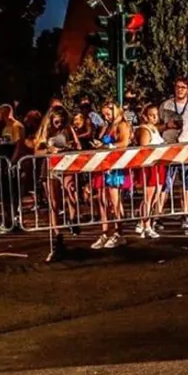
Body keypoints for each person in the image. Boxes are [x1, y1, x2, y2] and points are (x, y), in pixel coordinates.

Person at [34, 107, 80, 262]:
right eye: (56, 122)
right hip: (50, 168)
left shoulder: (67, 129)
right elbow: (36, 151)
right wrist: (48, 149)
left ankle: (73, 219)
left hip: (66, 166)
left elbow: (78, 146)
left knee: (70, 190)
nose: (59, 125)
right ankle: (57, 236)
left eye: (61, 121)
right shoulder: (44, 131)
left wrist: (69, 147)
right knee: (53, 203)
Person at [90, 101, 131, 249]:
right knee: (102, 199)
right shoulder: (108, 126)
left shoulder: (122, 125)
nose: (106, 117)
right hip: (104, 164)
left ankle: (119, 233)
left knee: (115, 201)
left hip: (115, 166)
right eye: (104, 114)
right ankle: (105, 232)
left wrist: (107, 146)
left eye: (108, 113)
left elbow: (124, 142)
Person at [159, 76, 188, 229]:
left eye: (183, 87)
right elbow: (157, 125)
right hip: (169, 148)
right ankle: (158, 216)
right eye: (177, 86)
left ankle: (185, 214)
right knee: (165, 185)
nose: (180, 89)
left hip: (187, 149)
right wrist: (166, 126)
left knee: (186, 186)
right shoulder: (166, 105)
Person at [134, 104, 166, 239]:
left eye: (156, 115)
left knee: (155, 197)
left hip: (159, 165)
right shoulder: (144, 130)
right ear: (145, 116)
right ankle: (146, 225)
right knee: (148, 197)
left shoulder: (154, 128)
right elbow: (144, 149)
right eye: (151, 115)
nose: (154, 117)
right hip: (150, 166)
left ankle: (144, 223)